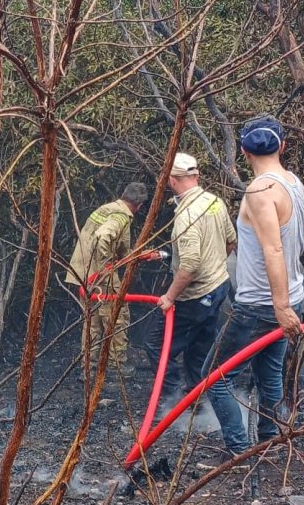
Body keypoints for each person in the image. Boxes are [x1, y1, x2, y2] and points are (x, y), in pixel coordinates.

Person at [200, 116, 304, 467]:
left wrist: (279, 307)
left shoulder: (260, 192)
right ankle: (271, 440)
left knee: (214, 377)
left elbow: (273, 250)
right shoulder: (294, 183)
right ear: (283, 146)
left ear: (244, 151)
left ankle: (238, 452)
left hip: (262, 305)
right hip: (292, 296)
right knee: (269, 374)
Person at [144, 153, 236, 406]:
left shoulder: (186, 215)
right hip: (218, 288)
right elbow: (231, 240)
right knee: (199, 347)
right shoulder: (214, 202)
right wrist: (214, 264)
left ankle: (173, 401)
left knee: (156, 345)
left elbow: (190, 266)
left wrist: (170, 297)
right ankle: (198, 398)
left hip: (194, 297)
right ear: (195, 176)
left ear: (172, 180)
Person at [66, 182, 149, 377]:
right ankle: (116, 367)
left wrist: (139, 255)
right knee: (118, 317)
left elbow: (117, 248)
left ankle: (89, 368)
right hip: (101, 276)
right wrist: (105, 269)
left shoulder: (106, 209)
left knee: (92, 322)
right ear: (139, 205)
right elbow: (104, 237)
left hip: (84, 274)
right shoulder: (121, 216)